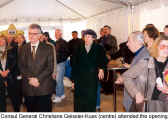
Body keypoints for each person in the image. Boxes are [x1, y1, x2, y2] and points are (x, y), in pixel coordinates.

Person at [123, 34, 168, 112]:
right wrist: (136, 93)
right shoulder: (145, 63)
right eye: (162, 46)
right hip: (147, 106)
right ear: (156, 47)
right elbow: (126, 77)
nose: (166, 49)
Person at [19, 24, 54, 112]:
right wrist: (31, 79)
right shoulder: (23, 48)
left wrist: (38, 79)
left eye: (34, 34)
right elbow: (21, 66)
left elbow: (50, 67)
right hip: (29, 87)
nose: (31, 36)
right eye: (30, 33)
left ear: (39, 35)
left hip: (44, 87)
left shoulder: (48, 48)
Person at [72, 29, 108, 112]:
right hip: (79, 78)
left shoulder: (99, 48)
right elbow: (74, 64)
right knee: (79, 101)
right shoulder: (78, 48)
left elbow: (103, 60)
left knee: (91, 99)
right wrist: (73, 80)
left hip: (92, 78)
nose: (86, 38)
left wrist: (101, 69)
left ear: (93, 38)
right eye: (85, 36)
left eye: (89, 37)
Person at [0, 35, 19, 112]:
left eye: (3, 40)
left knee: (14, 96)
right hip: (0, 76)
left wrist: (7, 71)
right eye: (0, 40)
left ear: (6, 41)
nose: (1, 41)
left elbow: (15, 62)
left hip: (10, 76)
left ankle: (17, 113)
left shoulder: (11, 49)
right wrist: (1, 72)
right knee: (1, 97)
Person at [52, 29, 69, 103]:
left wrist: (60, 60)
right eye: (55, 33)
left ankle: (58, 96)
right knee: (60, 80)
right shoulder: (57, 42)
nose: (55, 35)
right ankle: (62, 94)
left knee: (58, 80)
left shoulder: (63, 42)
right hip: (58, 63)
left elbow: (66, 52)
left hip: (60, 63)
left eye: (57, 33)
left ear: (61, 34)